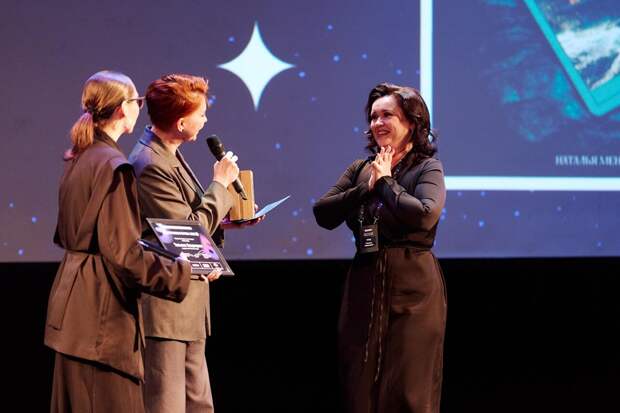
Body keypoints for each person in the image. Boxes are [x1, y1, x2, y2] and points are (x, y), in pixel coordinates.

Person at [44, 71, 195, 413]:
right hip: (100, 320)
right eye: (137, 101)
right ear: (122, 109)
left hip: (72, 312)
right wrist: (181, 273)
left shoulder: (80, 156)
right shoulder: (114, 166)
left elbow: (82, 236)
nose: (140, 108)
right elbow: (124, 255)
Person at [313, 82, 447, 413]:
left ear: (412, 123)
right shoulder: (360, 169)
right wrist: (368, 186)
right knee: (359, 385)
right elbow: (323, 213)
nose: (378, 123)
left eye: (387, 115)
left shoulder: (427, 168)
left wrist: (386, 182)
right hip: (364, 283)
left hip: (413, 287)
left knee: (408, 386)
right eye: (373, 117)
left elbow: (424, 216)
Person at [129, 73, 258, 413]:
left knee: (199, 405)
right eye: (201, 113)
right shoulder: (150, 163)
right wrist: (220, 184)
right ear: (181, 122)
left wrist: (228, 220)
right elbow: (185, 232)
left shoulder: (167, 153)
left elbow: (181, 221)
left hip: (188, 306)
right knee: (167, 405)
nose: (205, 120)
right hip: (166, 308)